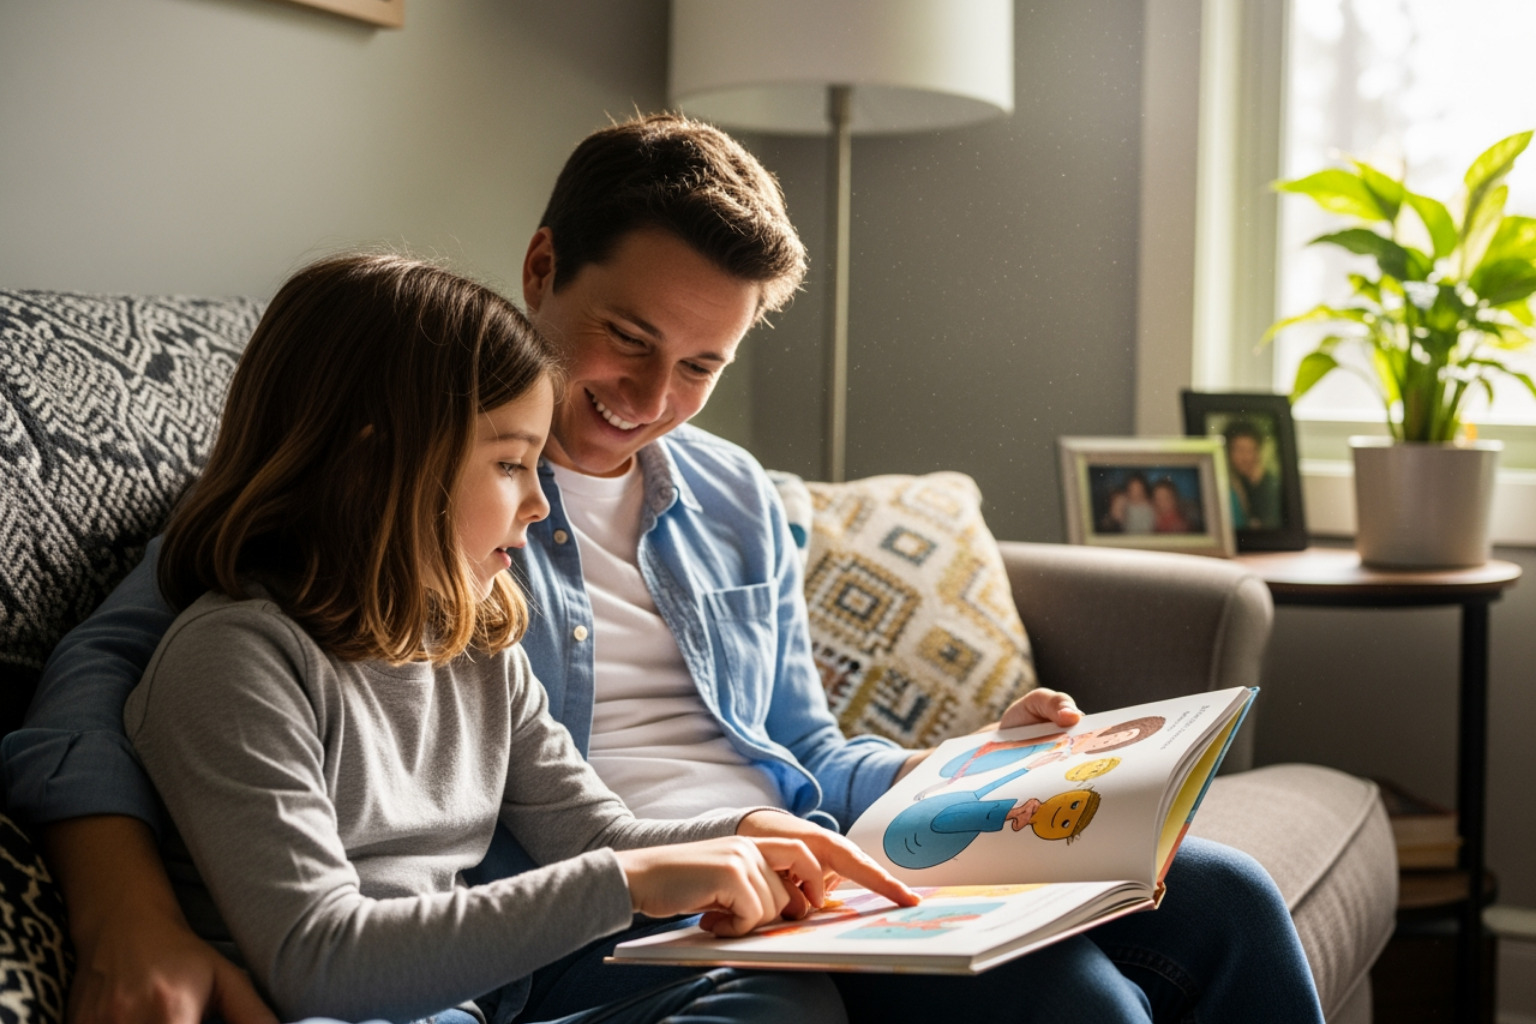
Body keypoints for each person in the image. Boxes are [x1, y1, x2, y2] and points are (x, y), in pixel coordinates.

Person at [3, 113, 1325, 1024]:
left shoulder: (738, 499)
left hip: (776, 850)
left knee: (1217, 894)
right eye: (627, 341)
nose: (649, 398)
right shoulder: (373, 517)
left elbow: (802, 742)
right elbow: (104, 678)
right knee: (1069, 1000)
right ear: (541, 269)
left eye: (701, 366)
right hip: (594, 918)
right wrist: (123, 905)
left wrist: (971, 771)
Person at [118, 252, 916, 1024]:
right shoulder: (237, 661)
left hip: (460, 1009)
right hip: (325, 1009)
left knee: (779, 997)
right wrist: (628, 883)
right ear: (376, 461)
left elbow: (597, 834)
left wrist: (744, 836)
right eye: (511, 466)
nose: (539, 504)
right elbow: (318, 960)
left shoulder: (481, 647)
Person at [1224, 419, 1283, 529]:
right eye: (1240, 450)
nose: (1246, 458)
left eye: (1250, 450)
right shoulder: (1231, 483)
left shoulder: (1271, 486)